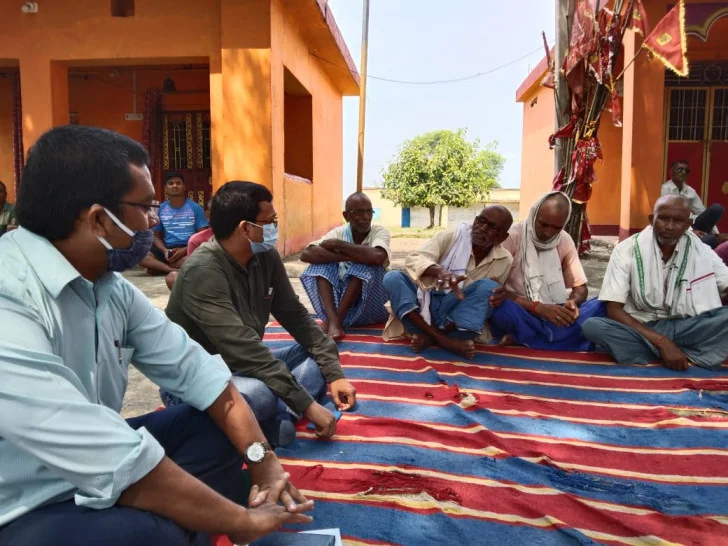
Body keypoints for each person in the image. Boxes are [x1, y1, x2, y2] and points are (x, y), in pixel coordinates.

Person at [0, 126, 313, 546]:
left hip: (103, 460)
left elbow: (206, 378)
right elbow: (101, 454)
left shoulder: (109, 287)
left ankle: (181, 522)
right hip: (25, 501)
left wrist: (264, 461)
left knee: (240, 410)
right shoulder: (9, 293)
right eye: (146, 208)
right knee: (146, 534)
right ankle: (182, 524)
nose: (155, 220)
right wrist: (240, 522)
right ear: (97, 219)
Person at [165, 181, 357, 447]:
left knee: (319, 353)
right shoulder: (203, 271)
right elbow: (246, 350)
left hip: (243, 366)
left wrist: (335, 375)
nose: (275, 228)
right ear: (245, 228)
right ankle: (277, 413)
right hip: (197, 375)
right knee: (260, 394)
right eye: (271, 221)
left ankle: (278, 416)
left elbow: (297, 317)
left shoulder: (265, 256)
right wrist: (310, 406)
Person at [582, 195, 728, 370]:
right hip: (642, 327)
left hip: (687, 325)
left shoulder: (701, 251)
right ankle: (690, 351)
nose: (670, 226)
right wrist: (662, 341)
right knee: (593, 327)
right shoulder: (626, 250)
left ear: (688, 225)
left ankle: (647, 352)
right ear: (652, 220)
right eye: (664, 219)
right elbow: (613, 310)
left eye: (678, 221)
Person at [382, 206, 513, 360]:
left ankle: (431, 338)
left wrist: (500, 294)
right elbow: (414, 259)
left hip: (457, 316)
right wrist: (440, 272)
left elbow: (485, 301)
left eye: (492, 227)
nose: (482, 228)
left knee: (491, 289)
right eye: (480, 221)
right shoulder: (452, 236)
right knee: (392, 278)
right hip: (427, 306)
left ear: (502, 238)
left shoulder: (505, 260)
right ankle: (446, 341)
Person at [489, 191, 605, 351]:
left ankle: (527, 338)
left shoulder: (564, 239)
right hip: (522, 311)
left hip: (556, 313)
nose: (548, 233)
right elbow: (492, 288)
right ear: (533, 214)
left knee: (604, 303)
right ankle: (558, 339)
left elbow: (581, 288)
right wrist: (537, 307)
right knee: (500, 311)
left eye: (556, 227)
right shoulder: (513, 237)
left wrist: (572, 302)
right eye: (543, 224)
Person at [300, 192, 391, 339]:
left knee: (364, 264)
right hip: (346, 306)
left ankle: (334, 322)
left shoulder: (379, 232)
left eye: (369, 211)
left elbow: (378, 256)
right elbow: (307, 254)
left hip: (372, 307)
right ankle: (334, 320)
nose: (366, 217)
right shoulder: (339, 232)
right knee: (320, 266)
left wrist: (338, 245)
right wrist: (348, 255)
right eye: (359, 212)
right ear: (346, 216)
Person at [140, 173, 208, 275]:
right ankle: (171, 269)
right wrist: (164, 250)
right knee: (141, 255)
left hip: (189, 248)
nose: (175, 186)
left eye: (178, 183)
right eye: (171, 183)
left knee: (193, 260)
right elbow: (156, 236)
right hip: (168, 250)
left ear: (184, 187)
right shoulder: (161, 208)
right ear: (165, 188)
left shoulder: (195, 208)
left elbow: (203, 236)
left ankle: (159, 267)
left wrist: (185, 250)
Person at [661, 160, 726, 248]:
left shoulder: (690, 191)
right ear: (671, 172)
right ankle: (703, 238)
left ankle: (707, 236)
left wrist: (716, 233)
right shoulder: (665, 189)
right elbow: (671, 216)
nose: (683, 172)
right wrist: (691, 231)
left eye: (686, 170)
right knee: (710, 241)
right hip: (678, 227)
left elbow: (701, 212)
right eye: (680, 169)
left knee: (717, 208)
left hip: (694, 224)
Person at [164, 199, 213, 291]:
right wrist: (164, 250)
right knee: (172, 277)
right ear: (208, 214)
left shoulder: (239, 236)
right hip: (203, 280)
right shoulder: (197, 239)